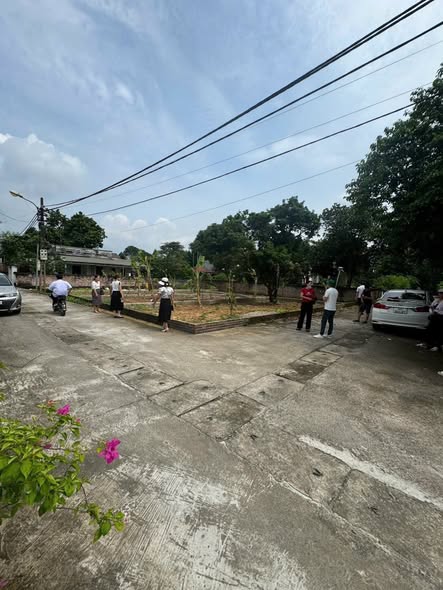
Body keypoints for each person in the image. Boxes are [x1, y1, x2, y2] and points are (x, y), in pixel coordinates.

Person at [417, 288, 443, 352]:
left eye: (442, 293)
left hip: (440, 318)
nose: (440, 294)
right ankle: (427, 343)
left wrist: (435, 310)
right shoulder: (436, 300)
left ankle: (437, 346)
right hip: (433, 317)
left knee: (439, 332)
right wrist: (432, 311)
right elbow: (431, 307)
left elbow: (438, 310)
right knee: (429, 330)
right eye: (440, 293)